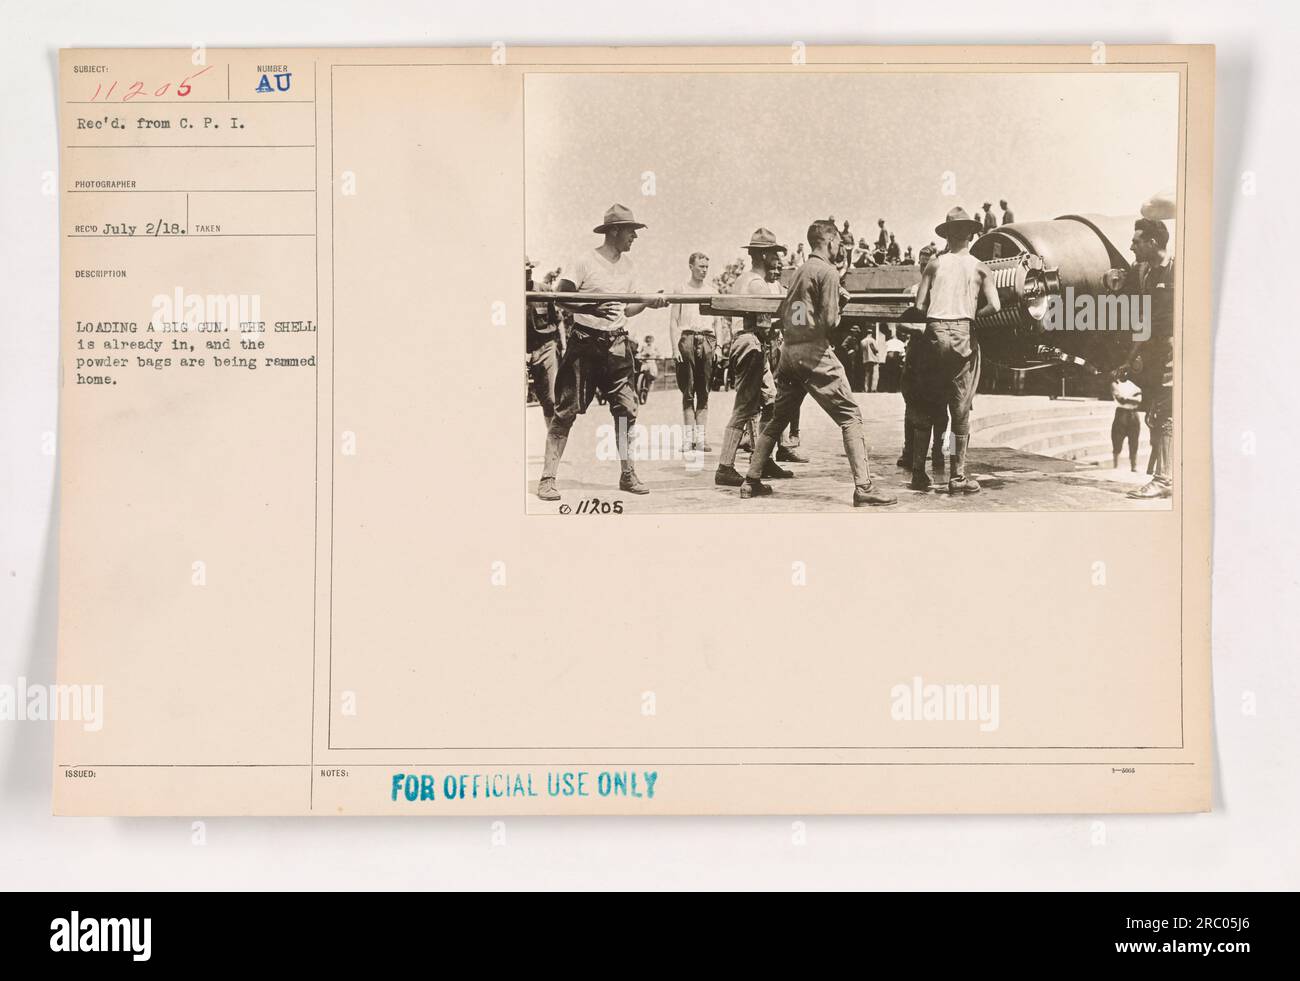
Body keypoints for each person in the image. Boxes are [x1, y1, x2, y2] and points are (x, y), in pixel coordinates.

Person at [739, 219, 896, 507]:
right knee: (851, 417)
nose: (840, 248)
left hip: (790, 352)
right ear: (830, 241)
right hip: (814, 352)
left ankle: (751, 480)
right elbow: (829, 322)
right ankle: (864, 487)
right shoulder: (828, 272)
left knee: (777, 420)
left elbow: (791, 312)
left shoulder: (799, 271)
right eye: (838, 242)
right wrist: (841, 304)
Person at [536, 204, 668, 502]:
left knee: (627, 410)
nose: (635, 237)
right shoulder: (584, 261)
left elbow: (627, 309)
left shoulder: (629, 267)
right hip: (585, 345)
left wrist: (648, 302)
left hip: (618, 346)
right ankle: (548, 478)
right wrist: (591, 307)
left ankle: (627, 473)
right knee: (565, 412)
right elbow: (560, 298)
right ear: (616, 231)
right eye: (631, 232)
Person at [910, 207, 1001, 494]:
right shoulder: (980, 267)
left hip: (935, 334)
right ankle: (957, 476)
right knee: (959, 409)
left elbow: (919, 305)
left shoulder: (934, 265)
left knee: (927, 406)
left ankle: (918, 473)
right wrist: (972, 312)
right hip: (964, 332)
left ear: (947, 235)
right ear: (972, 235)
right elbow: (996, 306)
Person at [715, 228, 800, 486]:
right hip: (750, 343)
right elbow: (764, 325)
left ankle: (762, 460)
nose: (778, 260)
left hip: (752, 343)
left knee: (771, 402)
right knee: (744, 407)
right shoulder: (755, 283)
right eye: (775, 254)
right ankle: (724, 467)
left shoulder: (747, 279)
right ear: (764, 255)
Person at [1117, 217, 1175, 499]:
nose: (1132, 246)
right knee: (1156, 415)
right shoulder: (1147, 274)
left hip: (1176, 354)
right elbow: (1145, 323)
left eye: (1136, 241)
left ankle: (1164, 479)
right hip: (1156, 355)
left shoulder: (1179, 270)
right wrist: (1130, 359)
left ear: (1153, 243)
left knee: (1164, 413)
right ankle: (1165, 476)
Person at [669, 252, 717, 450]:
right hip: (687, 339)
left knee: (704, 392)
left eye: (706, 267)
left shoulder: (712, 290)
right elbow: (673, 320)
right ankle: (689, 439)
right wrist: (674, 347)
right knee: (688, 392)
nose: (704, 270)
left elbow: (718, 320)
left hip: (707, 339)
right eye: (700, 267)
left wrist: (719, 346)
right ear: (691, 266)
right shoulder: (681, 289)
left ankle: (702, 439)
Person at [525, 257, 562, 428]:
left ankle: (552, 442)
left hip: (545, 346)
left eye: (529, 269)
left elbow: (558, 321)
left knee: (551, 399)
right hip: (520, 348)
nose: (528, 272)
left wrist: (564, 346)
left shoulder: (544, 290)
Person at [1111, 367, 1143, 471]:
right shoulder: (1115, 384)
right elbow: (1121, 400)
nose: (1123, 374)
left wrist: (1129, 398)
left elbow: (1139, 399)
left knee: (1134, 440)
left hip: (1133, 414)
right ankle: (1115, 465)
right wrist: (1132, 398)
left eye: (1125, 372)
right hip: (1122, 414)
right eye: (1121, 372)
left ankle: (1133, 466)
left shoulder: (1131, 384)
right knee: (1117, 439)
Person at [860, 325, 883, 393]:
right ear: (871, 333)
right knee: (875, 374)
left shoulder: (862, 341)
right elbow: (876, 350)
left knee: (867, 374)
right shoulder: (872, 340)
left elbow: (862, 350)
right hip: (873, 359)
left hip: (866, 359)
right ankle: (873, 389)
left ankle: (866, 388)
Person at [638, 333, 660, 404]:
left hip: (651, 363)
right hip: (645, 363)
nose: (649, 341)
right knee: (641, 373)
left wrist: (654, 355)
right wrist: (642, 355)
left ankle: (647, 387)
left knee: (652, 376)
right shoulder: (643, 347)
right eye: (647, 340)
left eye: (650, 340)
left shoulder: (654, 347)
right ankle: (640, 386)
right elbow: (639, 353)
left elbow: (658, 353)